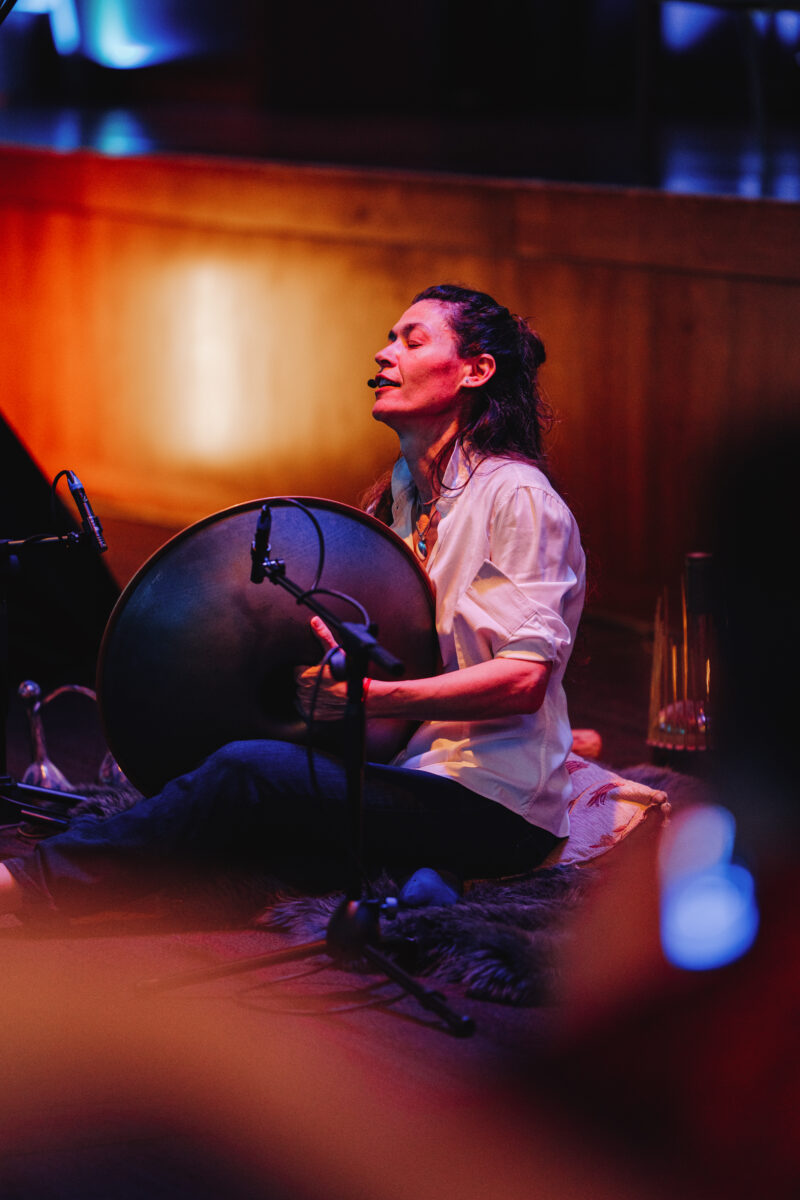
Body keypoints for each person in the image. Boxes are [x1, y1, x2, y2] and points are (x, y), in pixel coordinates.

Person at [0, 284, 585, 919]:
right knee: (233, 813)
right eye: (390, 338)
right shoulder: (404, 499)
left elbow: (523, 680)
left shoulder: (518, 495)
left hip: (493, 804)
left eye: (411, 341)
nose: (385, 353)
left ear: (476, 371)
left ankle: (28, 887)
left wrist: (371, 697)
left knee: (248, 773)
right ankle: (419, 876)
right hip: (411, 771)